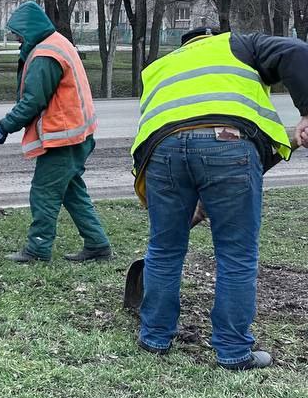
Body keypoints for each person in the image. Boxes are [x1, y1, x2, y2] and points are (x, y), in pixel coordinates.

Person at [132, 25, 308, 371]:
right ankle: (232, 350)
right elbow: (297, 52)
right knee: (236, 255)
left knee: (164, 249)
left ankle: (154, 336)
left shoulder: (160, 67)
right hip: (228, 144)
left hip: (161, 153)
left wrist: (192, 196)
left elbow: (175, 133)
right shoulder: (240, 44)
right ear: (214, 37)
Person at [0, 1, 111, 264]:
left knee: (43, 192)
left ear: (29, 30)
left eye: (18, 35)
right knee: (72, 191)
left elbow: (33, 101)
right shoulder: (58, 42)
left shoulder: (45, 55)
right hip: (78, 135)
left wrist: (4, 126)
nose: (17, 40)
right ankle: (98, 245)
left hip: (63, 138)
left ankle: (37, 249)